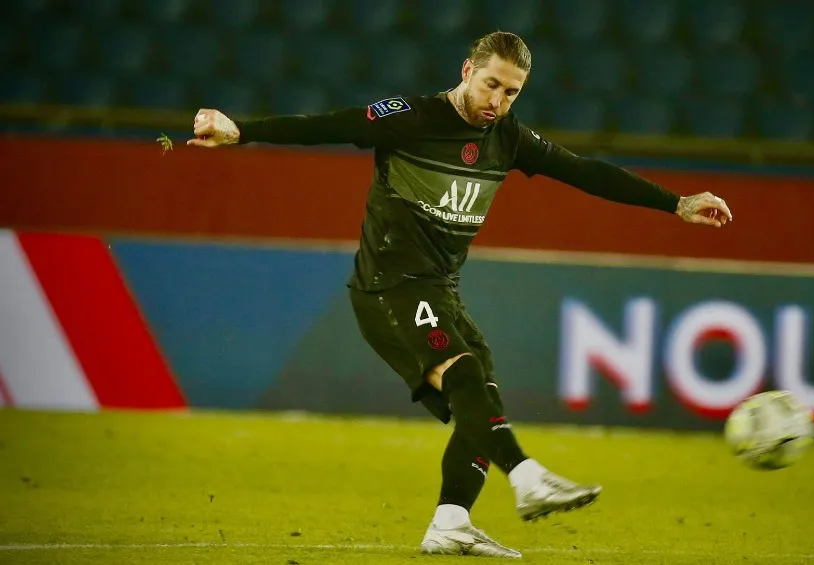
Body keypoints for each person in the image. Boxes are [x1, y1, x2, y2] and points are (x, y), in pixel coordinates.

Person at [188, 30, 732, 559]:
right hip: (390, 286)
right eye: (491, 85)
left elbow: (584, 172)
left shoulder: (509, 137)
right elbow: (331, 124)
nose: (497, 101)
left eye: (512, 91)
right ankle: (527, 476)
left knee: (481, 395)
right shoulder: (414, 118)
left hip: (439, 288)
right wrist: (243, 129)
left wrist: (676, 203)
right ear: (467, 71)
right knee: (465, 373)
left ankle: (451, 522)